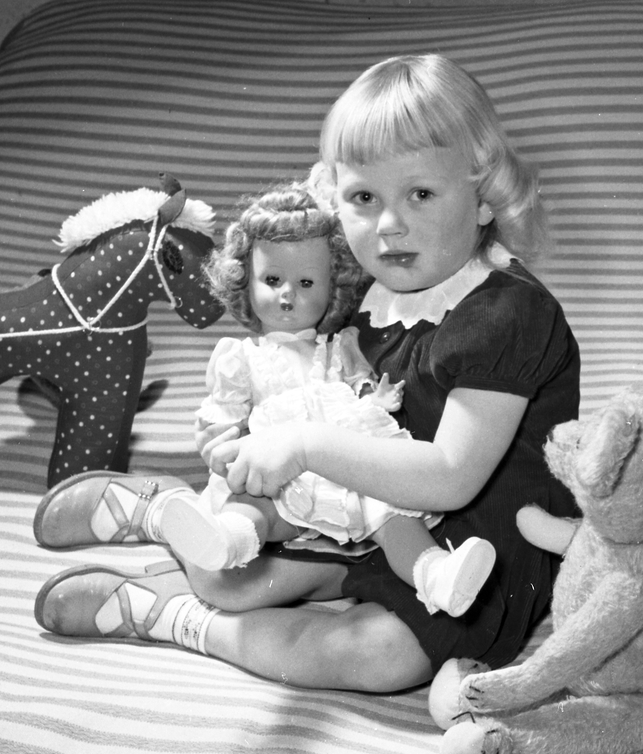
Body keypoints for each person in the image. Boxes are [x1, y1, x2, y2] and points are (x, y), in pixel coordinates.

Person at [33, 52, 581, 693]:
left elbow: (451, 476)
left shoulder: (507, 313)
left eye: (421, 194)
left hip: (474, 542)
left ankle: (171, 617)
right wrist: (239, 431)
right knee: (229, 577)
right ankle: (164, 511)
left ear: (484, 198)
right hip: (367, 509)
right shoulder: (364, 288)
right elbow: (295, 371)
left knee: (382, 658)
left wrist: (303, 445)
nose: (389, 224)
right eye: (364, 197)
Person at [134, 180, 497, 617]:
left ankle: (435, 575)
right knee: (252, 505)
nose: (288, 293)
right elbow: (223, 420)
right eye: (272, 280)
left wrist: (374, 398)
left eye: (306, 282)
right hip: (278, 477)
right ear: (244, 281)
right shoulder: (240, 357)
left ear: (332, 287)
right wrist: (218, 442)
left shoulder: (340, 347)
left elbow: (358, 393)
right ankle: (225, 542)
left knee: (391, 512)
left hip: (346, 469)